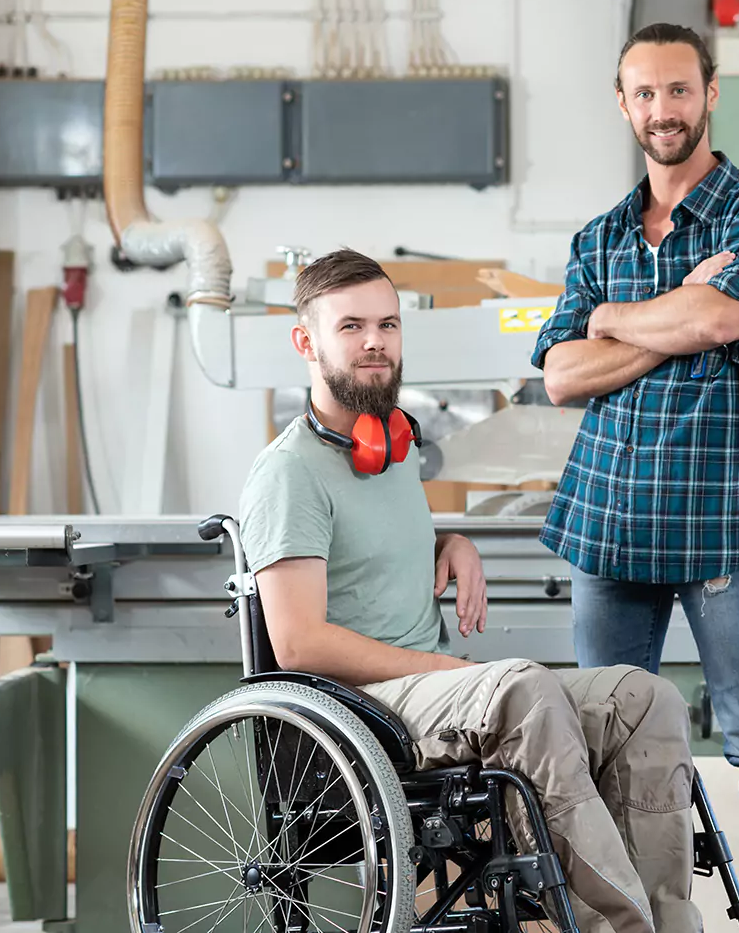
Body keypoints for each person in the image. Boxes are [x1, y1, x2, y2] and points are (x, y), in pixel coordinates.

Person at [237, 247, 702, 933]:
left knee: (644, 698)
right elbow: (300, 640)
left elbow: (358, 553)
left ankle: (671, 924)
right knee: (520, 688)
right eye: (352, 327)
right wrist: (449, 668)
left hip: (431, 698)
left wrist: (447, 543)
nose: (375, 343)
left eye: (389, 325)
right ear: (305, 341)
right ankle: (616, 929)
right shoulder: (288, 474)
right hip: (364, 715)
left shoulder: (389, 449)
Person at [531, 23, 739, 933]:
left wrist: (615, 322)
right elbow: (561, 374)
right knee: (604, 741)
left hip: (726, 514)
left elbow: (724, 320)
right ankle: (627, 917)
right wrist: (655, 317)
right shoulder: (602, 233)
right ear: (624, 105)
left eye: (679, 91)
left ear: (711, 94)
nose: (663, 110)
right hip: (608, 519)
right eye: (645, 94)